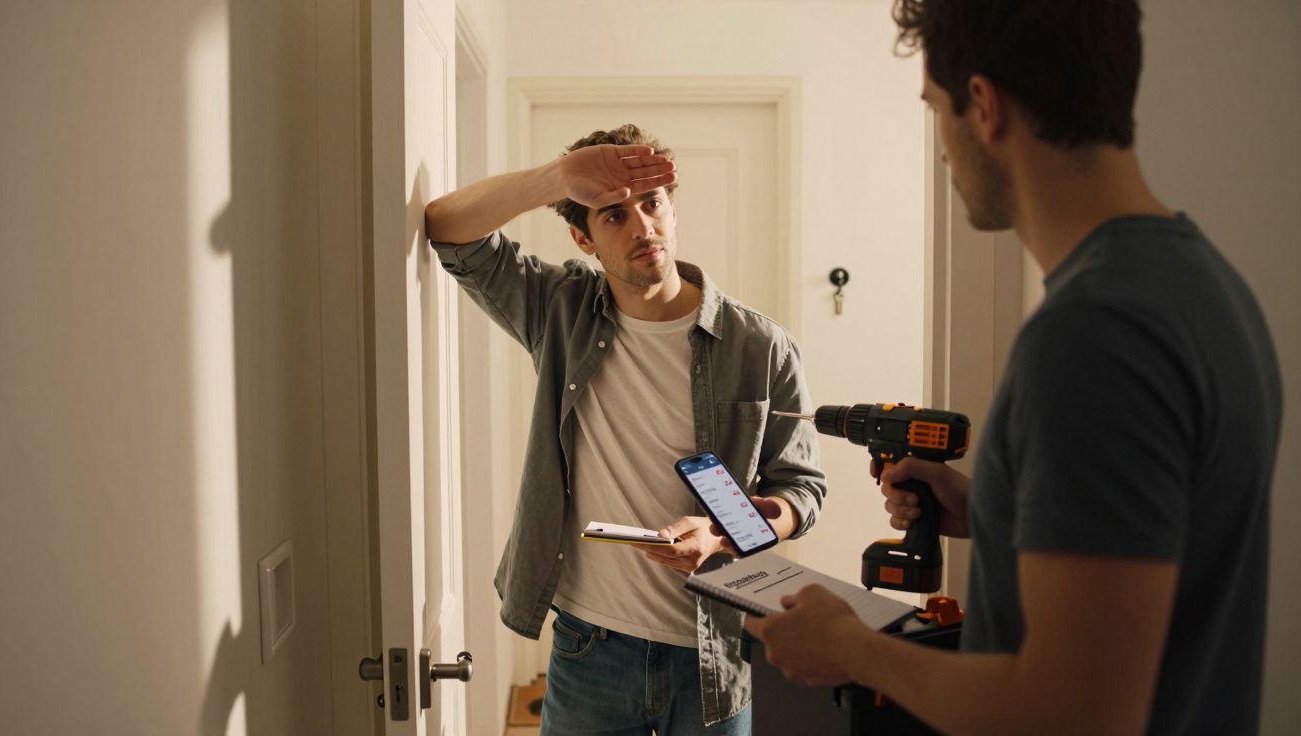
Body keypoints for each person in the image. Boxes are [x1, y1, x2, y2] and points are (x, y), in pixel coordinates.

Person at [741, 2, 1283, 734]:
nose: (941, 148)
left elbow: (1073, 713)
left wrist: (854, 649)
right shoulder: (1201, 282)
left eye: (936, 110)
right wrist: (995, 509)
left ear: (985, 106)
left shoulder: (1094, 335)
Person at [424, 124, 826, 734]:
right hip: (592, 650)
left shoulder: (760, 346)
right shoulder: (560, 310)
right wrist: (561, 177)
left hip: (714, 654)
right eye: (614, 214)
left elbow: (802, 490)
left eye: (652, 203)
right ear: (583, 237)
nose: (642, 228)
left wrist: (721, 534)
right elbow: (448, 228)